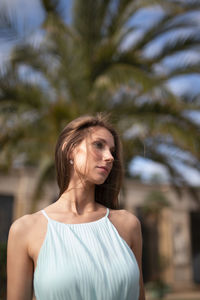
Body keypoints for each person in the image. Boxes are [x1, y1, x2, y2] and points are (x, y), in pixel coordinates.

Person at [7, 113, 145, 300]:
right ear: (70, 149)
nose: (110, 157)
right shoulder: (25, 230)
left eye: (112, 151)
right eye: (98, 145)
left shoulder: (128, 225)